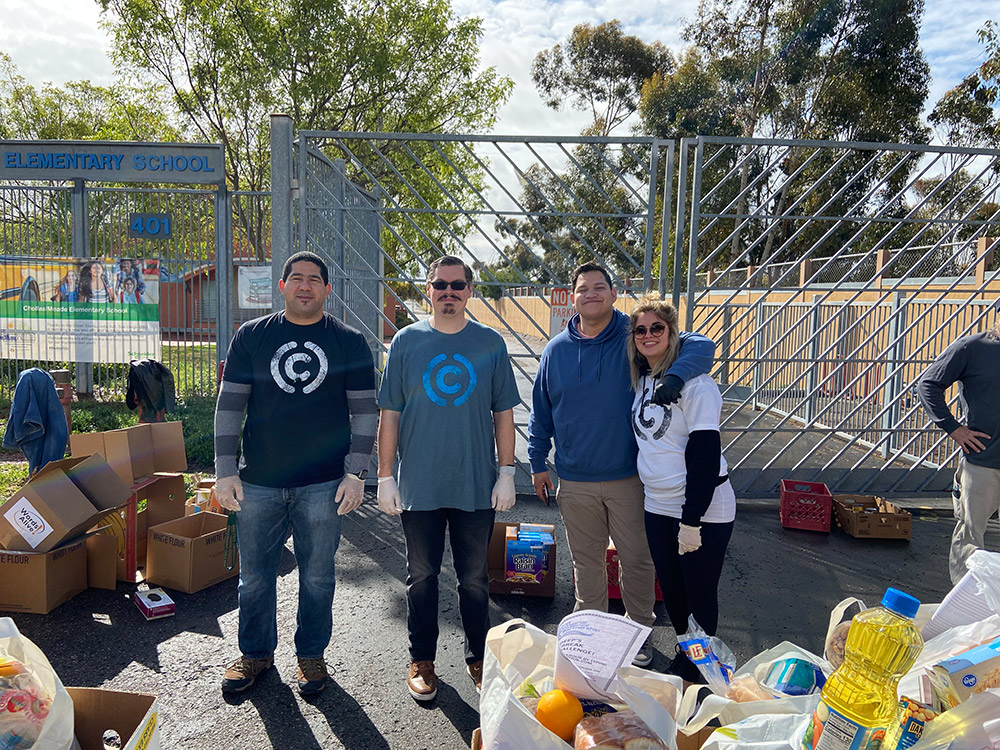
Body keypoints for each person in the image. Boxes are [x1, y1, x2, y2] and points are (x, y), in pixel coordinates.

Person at [528, 261, 715, 668]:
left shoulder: (632, 339)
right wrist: (537, 460)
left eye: (600, 287)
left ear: (614, 295)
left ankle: (637, 635)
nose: (591, 294)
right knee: (587, 563)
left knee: (636, 560)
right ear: (571, 297)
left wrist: (676, 378)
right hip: (574, 480)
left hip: (629, 478)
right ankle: (592, 634)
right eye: (583, 289)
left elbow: (700, 345)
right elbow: (541, 411)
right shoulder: (555, 351)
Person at [213, 250, 377, 696]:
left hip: (324, 484)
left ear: (327, 289)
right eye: (297, 277)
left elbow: (364, 413)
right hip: (258, 482)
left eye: (315, 279)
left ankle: (311, 656)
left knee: (319, 577)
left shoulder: (349, 342)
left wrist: (356, 473)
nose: (305, 285)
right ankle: (255, 655)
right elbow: (230, 405)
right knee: (255, 578)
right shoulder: (251, 337)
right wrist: (225, 470)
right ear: (282, 286)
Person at [376, 255, 519, 701]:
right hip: (419, 485)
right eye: (440, 285)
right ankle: (422, 660)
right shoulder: (405, 342)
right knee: (421, 576)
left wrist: (508, 472)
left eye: (458, 286)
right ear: (428, 289)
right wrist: (384, 477)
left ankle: (479, 657)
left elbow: (504, 415)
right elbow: (390, 415)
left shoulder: (490, 343)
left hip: (476, 485)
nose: (449, 293)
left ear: (470, 291)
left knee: (475, 578)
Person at [627, 294, 735, 683]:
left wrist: (691, 520)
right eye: (641, 330)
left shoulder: (698, 385)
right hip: (657, 504)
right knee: (672, 591)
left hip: (701, 507)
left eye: (657, 327)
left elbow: (705, 453)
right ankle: (686, 652)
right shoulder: (641, 380)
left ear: (673, 333)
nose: (648, 335)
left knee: (699, 593)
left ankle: (703, 674)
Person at [917, 322, 1000, 584]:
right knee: (971, 534)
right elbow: (928, 385)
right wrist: (954, 429)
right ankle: (964, 601)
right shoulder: (972, 348)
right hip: (983, 460)